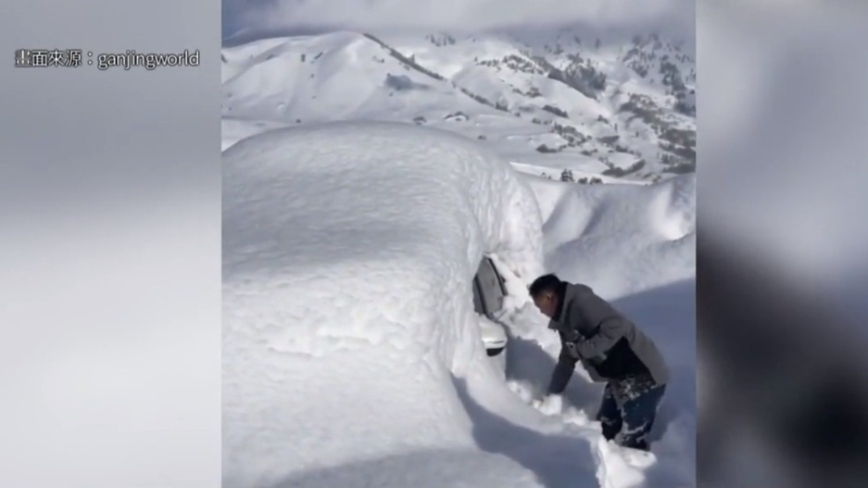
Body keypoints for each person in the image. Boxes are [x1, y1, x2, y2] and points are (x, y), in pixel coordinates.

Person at [529, 273, 669, 451]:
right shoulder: (564, 319)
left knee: (630, 440)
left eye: (539, 306)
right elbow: (567, 358)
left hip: (642, 374)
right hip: (619, 375)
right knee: (605, 427)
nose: (541, 312)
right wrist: (551, 395)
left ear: (549, 297)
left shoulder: (581, 302)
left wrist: (582, 349)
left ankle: (635, 472)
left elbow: (617, 325)